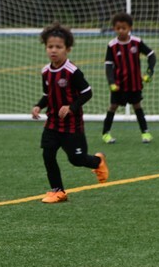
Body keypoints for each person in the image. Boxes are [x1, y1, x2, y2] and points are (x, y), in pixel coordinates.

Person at [31, 22, 109, 204]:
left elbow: (87, 93)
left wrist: (71, 107)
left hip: (72, 125)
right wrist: (38, 106)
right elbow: (47, 94)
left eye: (58, 47)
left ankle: (98, 162)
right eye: (50, 46)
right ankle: (58, 191)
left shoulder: (72, 72)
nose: (53, 50)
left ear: (67, 49)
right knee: (48, 155)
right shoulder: (45, 71)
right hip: (52, 123)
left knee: (77, 159)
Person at [102, 12, 156, 144]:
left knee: (137, 106)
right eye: (118, 28)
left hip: (134, 83)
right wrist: (111, 82)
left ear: (130, 28)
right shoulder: (112, 45)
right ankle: (106, 133)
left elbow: (151, 55)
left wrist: (149, 73)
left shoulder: (136, 42)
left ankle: (145, 133)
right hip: (118, 84)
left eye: (124, 28)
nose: (121, 30)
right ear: (114, 28)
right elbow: (108, 65)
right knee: (113, 107)